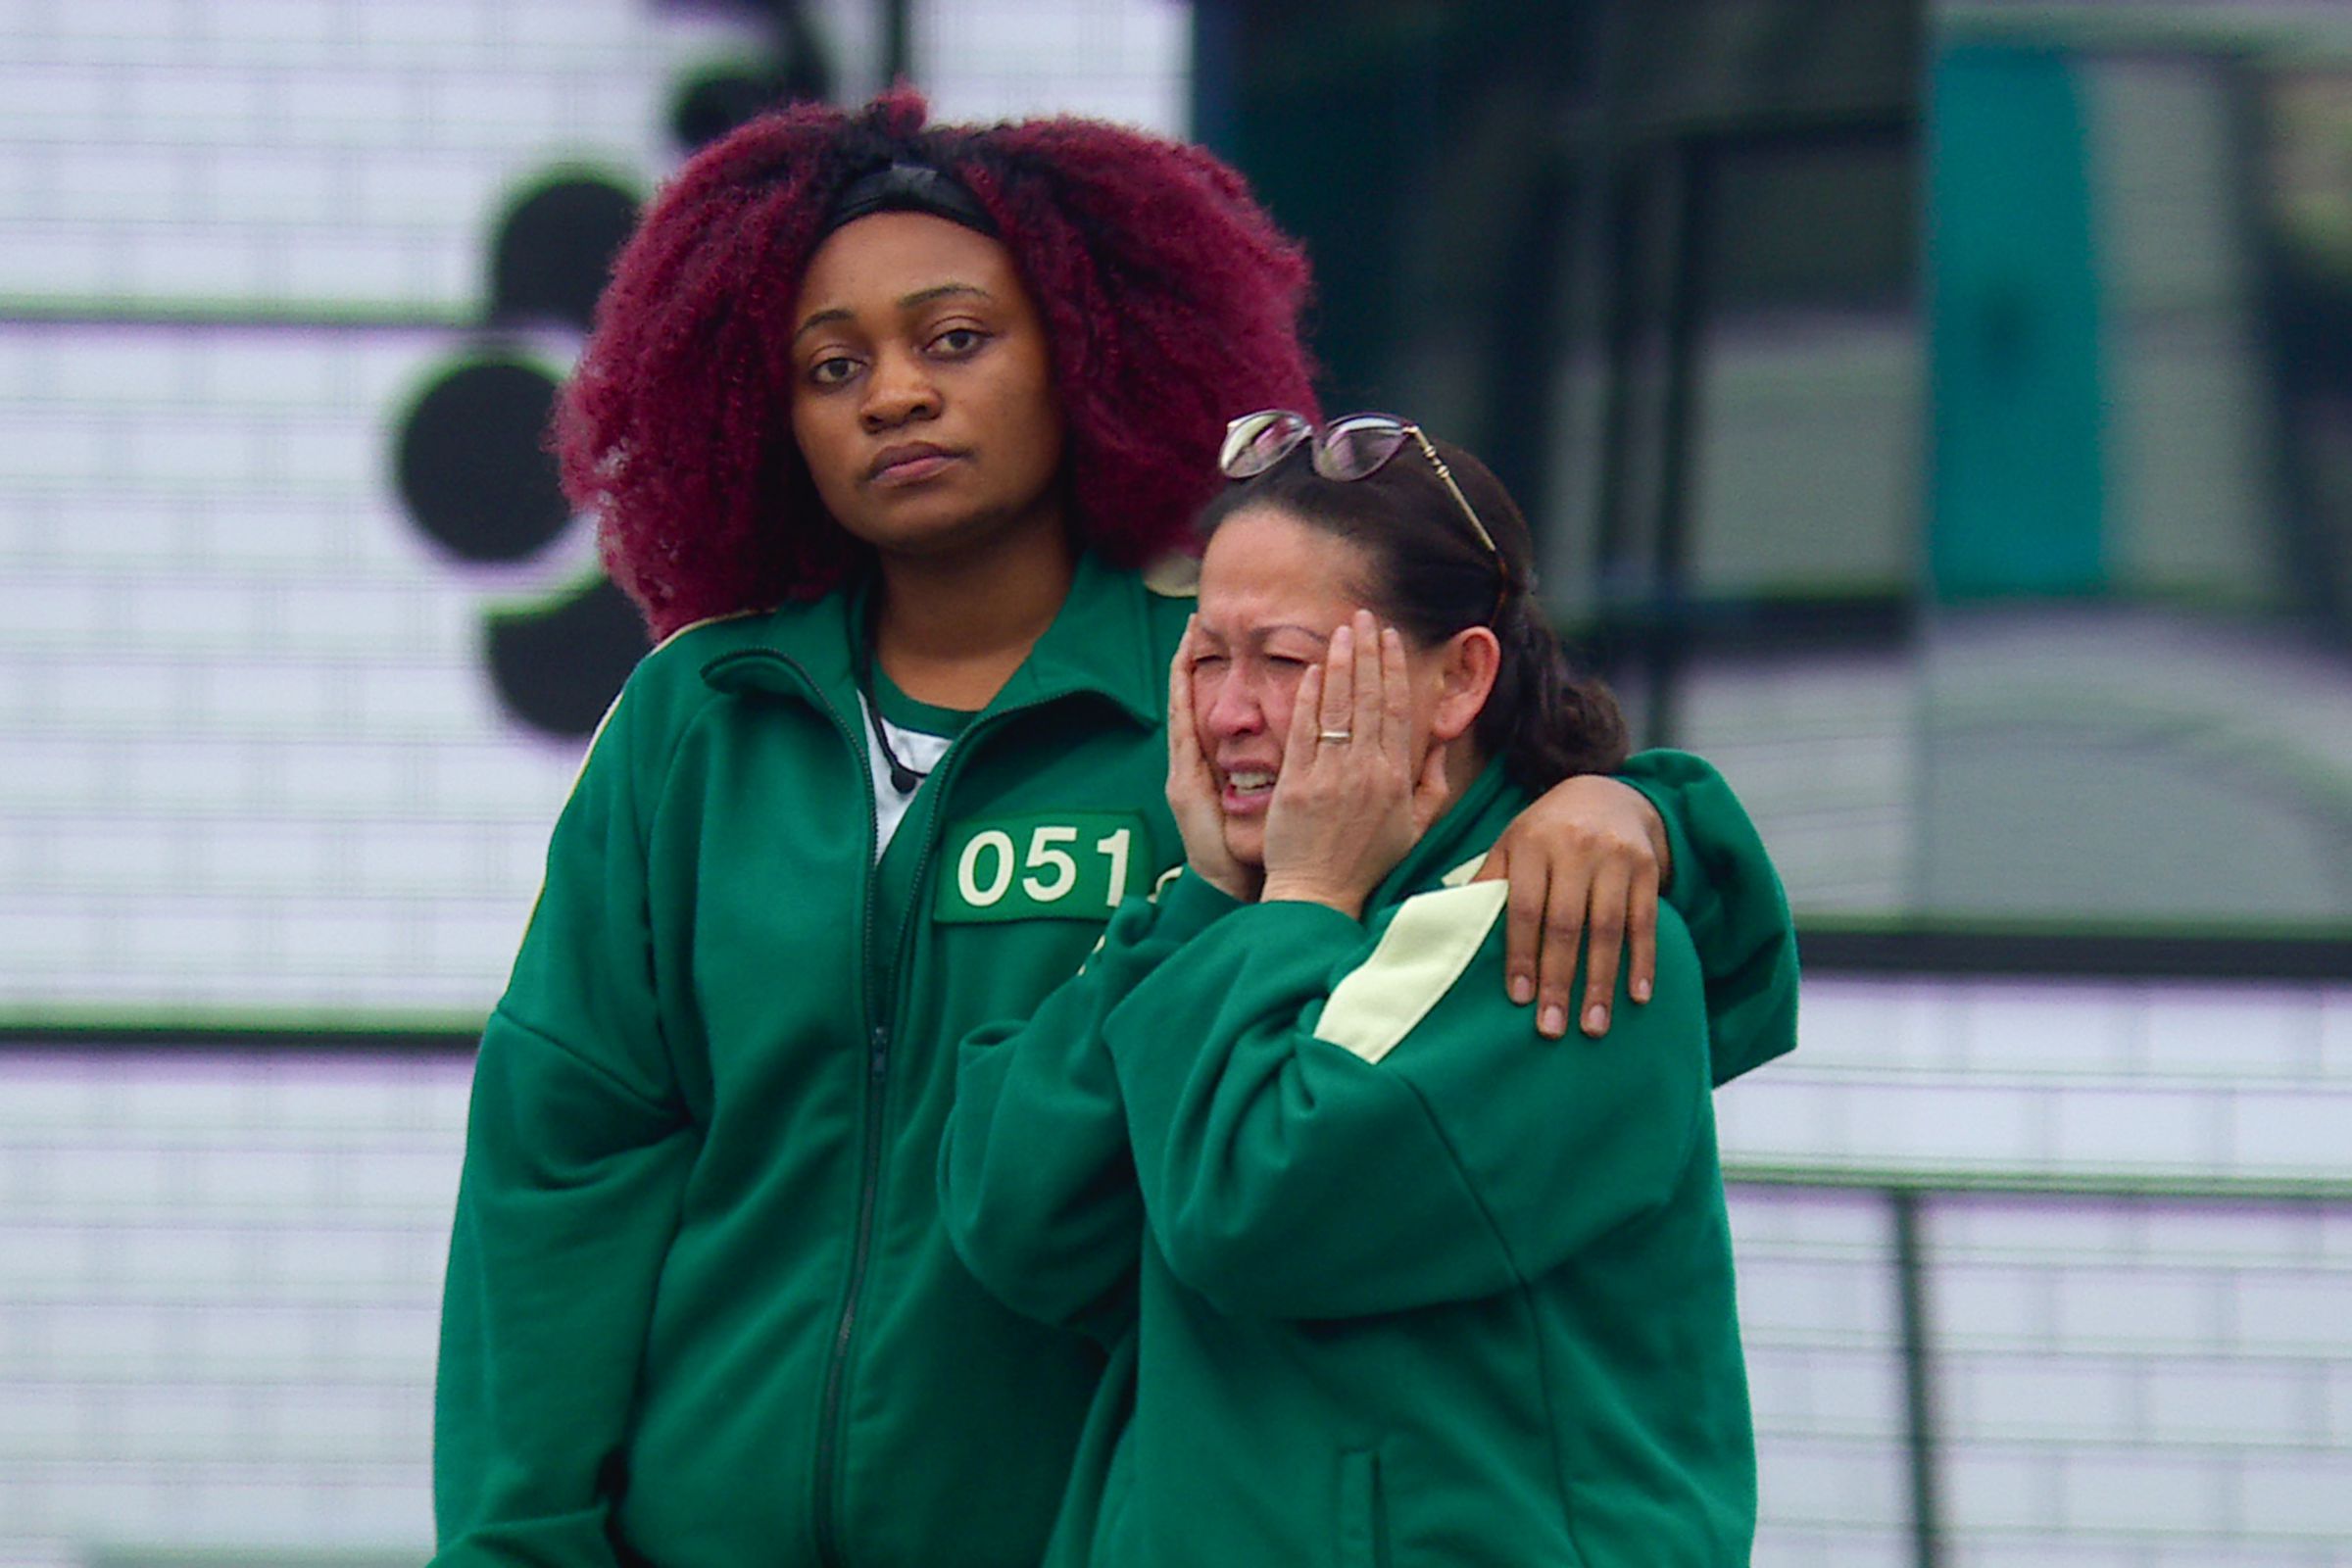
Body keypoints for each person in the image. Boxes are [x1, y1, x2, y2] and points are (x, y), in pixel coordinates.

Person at [432, 91, 1796, 1568]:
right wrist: (521, 1542)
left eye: (954, 339)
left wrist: (1642, 807)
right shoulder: (697, 727)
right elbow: (559, 1174)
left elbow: (1485, 843)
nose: (893, 394)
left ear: (1081, 350)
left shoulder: (1236, 704)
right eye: (832, 367)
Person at [941, 413, 1792, 1566]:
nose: (1227, 713)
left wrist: (1296, 891)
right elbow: (1012, 1217)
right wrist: (1206, 898)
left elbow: (1254, 1210)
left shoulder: (1561, 922)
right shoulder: (1236, 913)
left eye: (1285, 662)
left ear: (1461, 681)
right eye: (1203, 658)